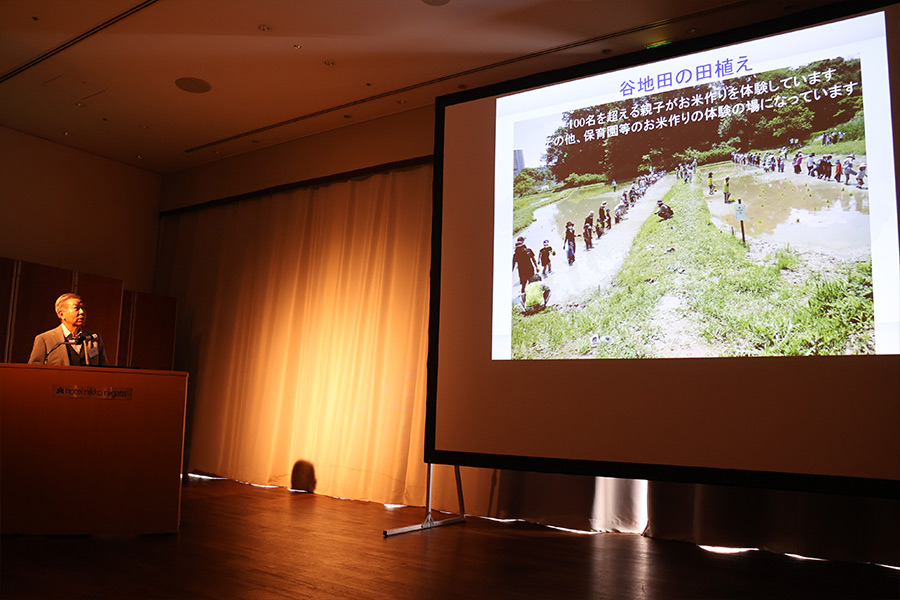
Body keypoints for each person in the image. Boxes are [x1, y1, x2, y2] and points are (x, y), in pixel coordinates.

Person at [28, 293, 108, 366]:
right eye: (76, 308)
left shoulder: (94, 338)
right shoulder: (45, 339)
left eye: (83, 308)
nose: (82, 312)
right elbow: (34, 370)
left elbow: (103, 368)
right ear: (61, 314)